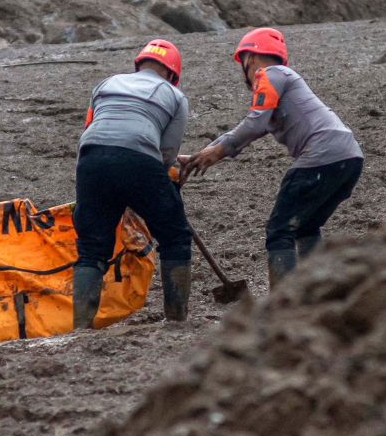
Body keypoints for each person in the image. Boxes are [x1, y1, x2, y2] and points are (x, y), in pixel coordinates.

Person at [181, 27, 364, 288]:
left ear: (250, 58)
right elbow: (250, 128)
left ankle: (283, 306)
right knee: (305, 227)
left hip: (322, 157)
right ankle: (320, 294)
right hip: (349, 158)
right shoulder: (284, 82)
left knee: (279, 231)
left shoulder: (268, 74)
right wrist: (203, 154)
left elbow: (254, 124)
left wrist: (215, 153)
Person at [73, 39, 192, 328]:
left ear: (138, 64)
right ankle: (176, 319)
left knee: (91, 247)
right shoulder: (175, 96)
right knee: (175, 237)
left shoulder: (106, 83)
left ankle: (80, 328)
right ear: (172, 75)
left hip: (91, 158)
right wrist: (162, 188)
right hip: (140, 159)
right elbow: (167, 154)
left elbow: (91, 128)